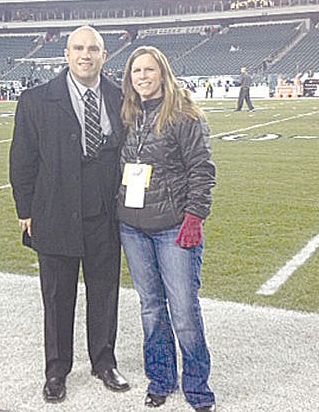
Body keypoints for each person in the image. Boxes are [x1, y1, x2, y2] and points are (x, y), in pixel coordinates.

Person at [9, 25, 129, 404]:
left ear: (104, 56)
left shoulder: (120, 97)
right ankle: (57, 369)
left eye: (93, 48)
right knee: (58, 297)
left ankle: (104, 362)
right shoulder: (36, 100)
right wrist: (25, 209)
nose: (85, 55)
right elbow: (22, 159)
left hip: (104, 214)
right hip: (55, 213)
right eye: (78, 48)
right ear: (66, 54)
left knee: (104, 292)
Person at [116, 46, 217, 412]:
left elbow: (202, 170)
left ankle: (198, 388)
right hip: (132, 227)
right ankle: (160, 379)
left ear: (163, 74)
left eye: (149, 70)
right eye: (136, 71)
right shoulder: (127, 114)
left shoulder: (184, 115)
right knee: (151, 309)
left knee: (185, 311)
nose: (142, 76)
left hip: (173, 228)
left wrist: (194, 217)